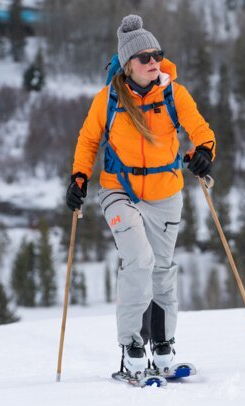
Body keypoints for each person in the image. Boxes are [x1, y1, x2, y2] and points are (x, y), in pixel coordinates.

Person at [66, 14, 216, 377]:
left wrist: (204, 152)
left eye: (157, 55)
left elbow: (200, 129)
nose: (153, 62)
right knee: (139, 260)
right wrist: (79, 178)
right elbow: (88, 140)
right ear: (128, 63)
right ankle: (132, 343)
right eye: (145, 57)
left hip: (165, 193)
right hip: (119, 190)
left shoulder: (174, 94)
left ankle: (162, 342)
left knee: (162, 268)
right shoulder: (108, 99)